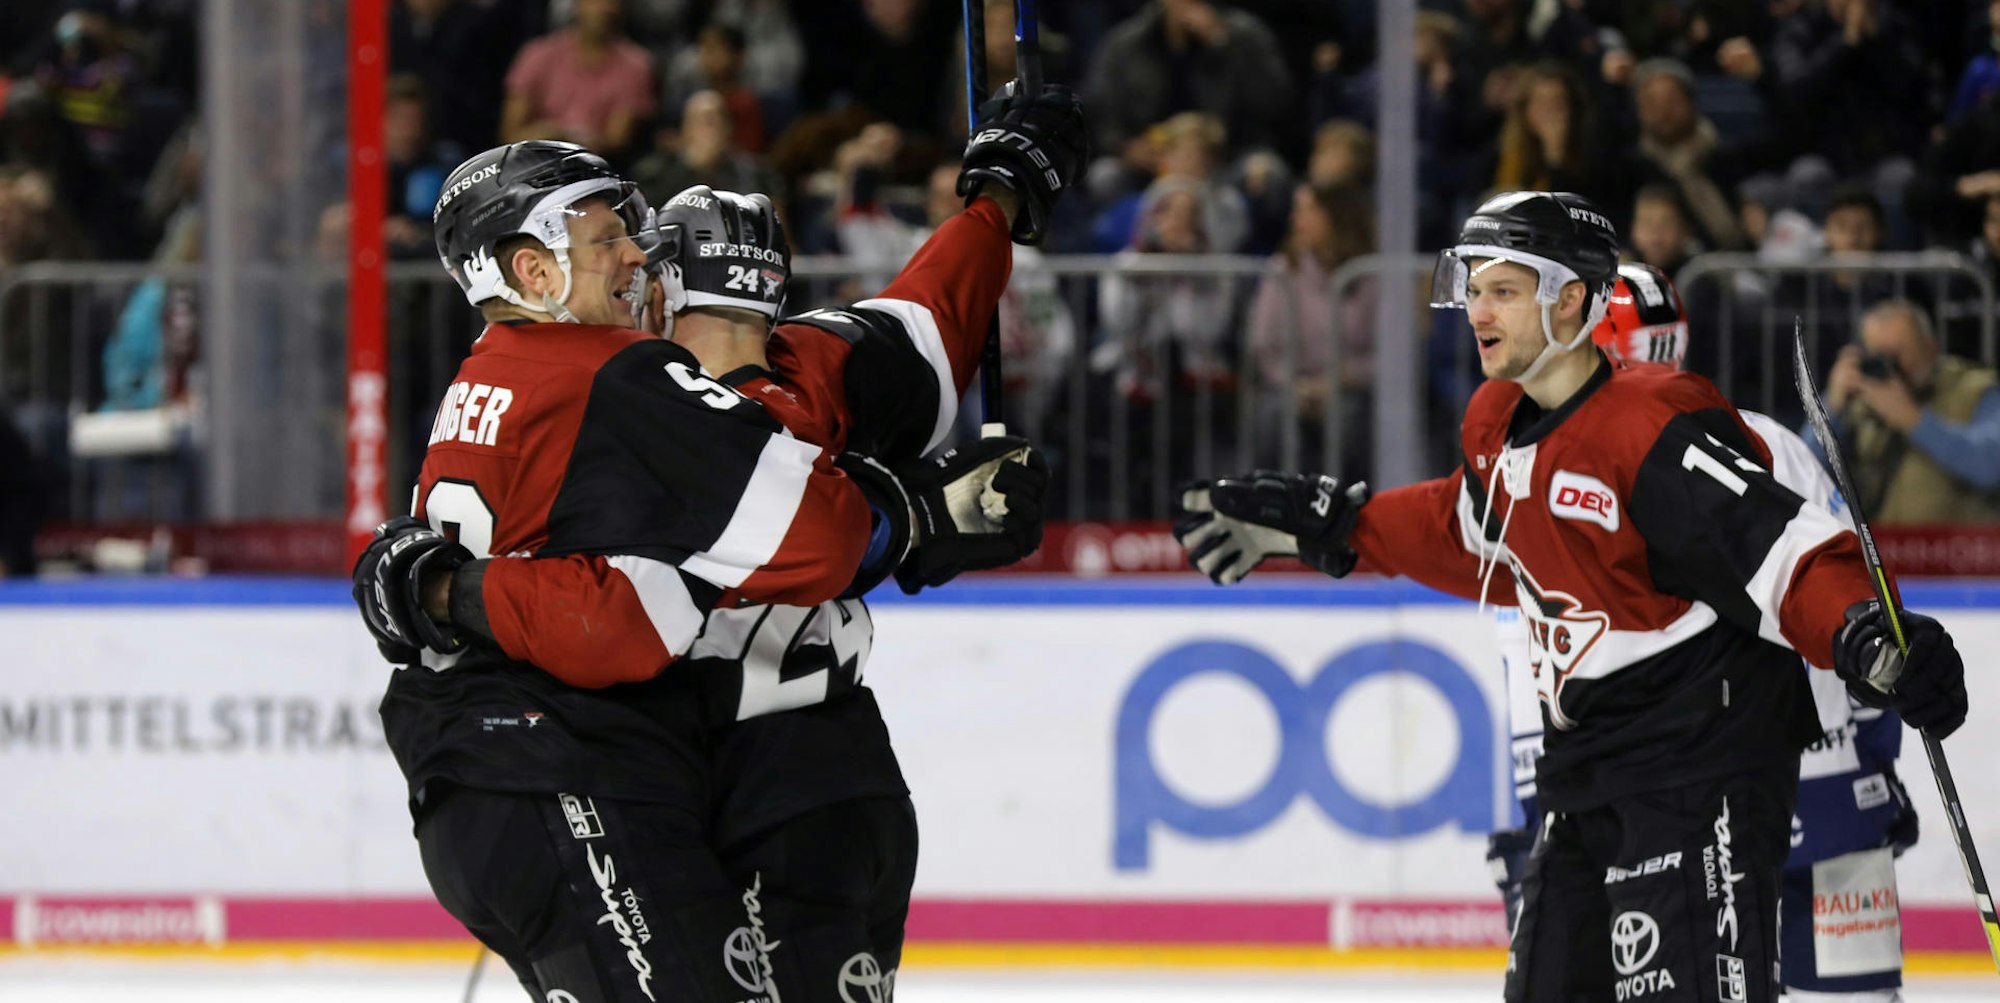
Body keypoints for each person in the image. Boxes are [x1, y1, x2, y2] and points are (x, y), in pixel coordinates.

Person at [354, 82, 1085, 1003]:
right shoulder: (742, 375)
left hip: (630, 775)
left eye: (638, 242)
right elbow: (928, 331)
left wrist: (435, 593)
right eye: (610, 239)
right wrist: (999, 204)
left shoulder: (522, 375)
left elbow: (930, 318)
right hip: (683, 774)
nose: (628, 258)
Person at [1172, 191, 1967, 1003]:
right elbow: (1466, 532)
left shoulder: (1650, 429)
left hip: (1697, 770)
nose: (1478, 308)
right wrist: (1339, 524)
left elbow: (1781, 550)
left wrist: (1870, 634)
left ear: (1573, 301)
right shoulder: (1500, 424)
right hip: (1588, 771)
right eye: (1473, 286)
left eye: (1504, 290)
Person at [1486, 262, 1917, 1001]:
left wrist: (1541, 823)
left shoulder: (1541, 468)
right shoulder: (1774, 442)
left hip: (1671, 813)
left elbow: (1546, 661)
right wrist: (1872, 771)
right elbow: (1855, 610)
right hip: (1825, 797)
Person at [1809, 299, 2000, 525]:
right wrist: (1829, 408)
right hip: (1879, 551)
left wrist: (1913, 419)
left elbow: (1991, 467)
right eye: (1879, 355)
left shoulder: (1975, 390)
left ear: (1930, 347)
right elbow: (1802, 470)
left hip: (1955, 552)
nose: (1891, 367)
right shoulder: (1858, 397)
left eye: (1898, 353)